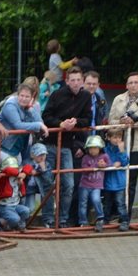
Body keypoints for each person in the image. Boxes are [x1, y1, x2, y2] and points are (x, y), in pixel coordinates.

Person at [41, 68, 92, 227]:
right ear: (67, 81)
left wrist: (76, 122)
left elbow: (87, 120)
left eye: (78, 80)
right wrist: (60, 124)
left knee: (69, 184)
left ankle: (62, 219)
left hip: (67, 146)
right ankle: (48, 219)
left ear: (82, 81)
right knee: (48, 183)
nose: (76, 83)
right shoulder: (57, 95)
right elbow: (46, 117)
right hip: (50, 144)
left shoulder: (86, 96)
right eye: (73, 80)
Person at [107, 72, 138, 208]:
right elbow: (111, 121)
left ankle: (126, 212)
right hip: (119, 144)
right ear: (126, 85)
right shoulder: (118, 99)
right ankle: (113, 211)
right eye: (130, 83)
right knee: (115, 176)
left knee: (131, 180)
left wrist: (136, 121)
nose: (133, 85)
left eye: (136, 82)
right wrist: (122, 122)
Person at [0, 83, 49, 163]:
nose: (24, 99)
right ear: (17, 95)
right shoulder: (10, 105)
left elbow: (41, 123)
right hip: (2, 147)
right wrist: (38, 125)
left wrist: (30, 109)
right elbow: (18, 125)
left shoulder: (28, 106)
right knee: (6, 172)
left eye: (27, 97)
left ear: (32, 98)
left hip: (16, 149)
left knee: (18, 173)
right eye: (22, 96)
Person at [77, 134, 110, 231]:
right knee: (82, 203)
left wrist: (105, 165)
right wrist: (96, 165)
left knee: (96, 200)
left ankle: (100, 217)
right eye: (90, 148)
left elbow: (110, 164)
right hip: (84, 185)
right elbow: (84, 169)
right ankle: (83, 221)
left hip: (97, 185)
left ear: (100, 148)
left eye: (95, 148)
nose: (92, 150)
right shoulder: (85, 157)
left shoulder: (104, 156)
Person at [102, 129, 131, 230]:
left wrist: (122, 151)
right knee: (106, 203)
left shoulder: (121, 149)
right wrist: (111, 164)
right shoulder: (105, 150)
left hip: (119, 182)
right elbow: (104, 161)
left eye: (119, 137)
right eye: (114, 137)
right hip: (108, 182)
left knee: (120, 203)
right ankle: (104, 220)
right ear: (109, 138)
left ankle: (124, 221)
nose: (117, 140)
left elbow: (125, 162)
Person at [0, 156, 33, 231]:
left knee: (26, 211)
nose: (15, 170)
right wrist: (18, 174)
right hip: (4, 206)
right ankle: (4, 224)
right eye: (14, 169)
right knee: (15, 219)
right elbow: (7, 170)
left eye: (16, 168)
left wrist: (24, 173)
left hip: (15, 205)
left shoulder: (18, 174)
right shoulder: (3, 177)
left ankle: (19, 226)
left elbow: (29, 166)